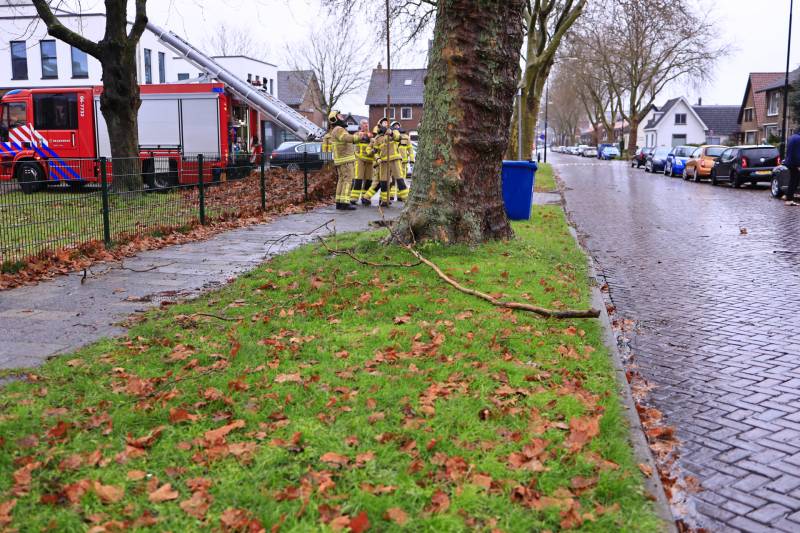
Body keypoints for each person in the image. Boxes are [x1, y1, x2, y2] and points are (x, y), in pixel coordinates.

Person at [327, 109, 361, 210]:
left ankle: (339, 202)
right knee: (348, 180)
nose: (342, 117)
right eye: (340, 116)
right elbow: (346, 138)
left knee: (341, 180)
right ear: (335, 118)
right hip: (345, 160)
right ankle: (345, 202)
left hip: (341, 160)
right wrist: (358, 137)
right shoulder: (339, 129)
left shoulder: (335, 129)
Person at [351, 119, 373, 205]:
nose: (366, 125)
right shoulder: (357, 134)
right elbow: (352, 140)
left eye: (367, 123)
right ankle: (353, 198)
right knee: (358, 178)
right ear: (361, 125)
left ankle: (365, 198)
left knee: (368, 180)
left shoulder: (371, 135)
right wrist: (359, 136)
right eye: (364, 123)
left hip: (369, 160)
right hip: (360, 159)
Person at [785, 127, 800, 206]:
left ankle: (788, 196)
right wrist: (798, 165)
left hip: (789, 162)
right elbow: (798, 153)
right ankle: (789, 199)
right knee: (794, 181)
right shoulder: (798, 139)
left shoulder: (791, 138)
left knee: (793, 181)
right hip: (794, 163)